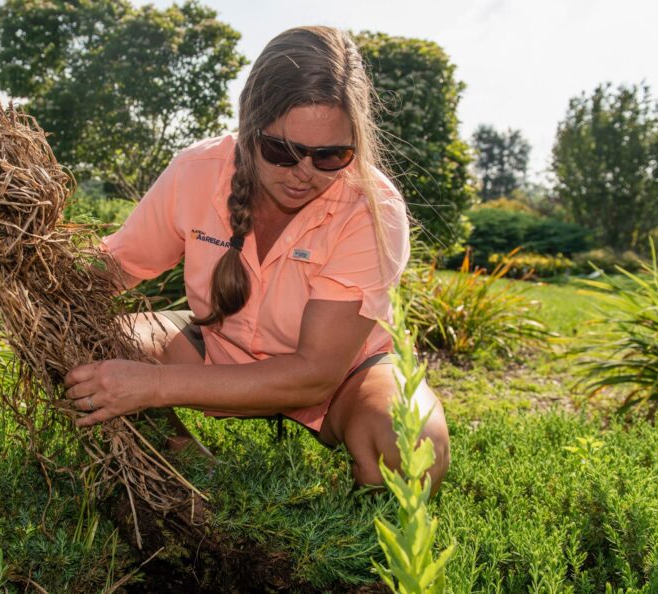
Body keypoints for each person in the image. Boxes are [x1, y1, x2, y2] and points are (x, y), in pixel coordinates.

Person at [64, 26, 450, 492]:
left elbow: (315, 374)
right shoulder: (197, 171)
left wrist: (154, 384)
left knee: (410, 449)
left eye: (331, 156)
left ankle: (343, 534)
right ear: (249, 128)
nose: (304, 175)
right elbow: (116, 267)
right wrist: (32, 261)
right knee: (89, 346)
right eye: (281, 151)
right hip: (216, 346)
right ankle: (192, 469)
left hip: (343, 378)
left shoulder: (372, 208)